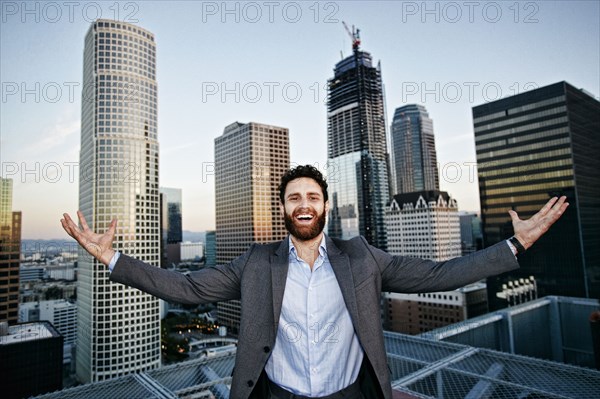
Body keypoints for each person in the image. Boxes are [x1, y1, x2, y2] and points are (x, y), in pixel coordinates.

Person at [61, 165, 568, 399]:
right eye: (293, 198)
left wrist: (514, 246)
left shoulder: (361, 258)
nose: (303, 205)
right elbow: (188, 289)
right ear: (282, 209)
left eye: (312, 197)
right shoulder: (256, 263)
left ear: (326, 206)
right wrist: (113, 260)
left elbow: (437, 274)